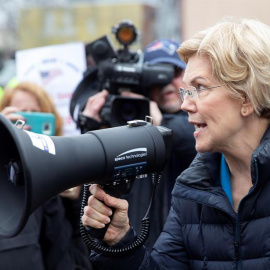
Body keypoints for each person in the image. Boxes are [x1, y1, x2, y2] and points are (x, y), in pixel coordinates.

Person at [82, 17, 270, 269]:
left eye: (199, 88)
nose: (185, 104)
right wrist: (120, 242)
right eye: (186, 91)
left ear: (246, 97)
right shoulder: (192, 188)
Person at [79, 38, 197, 250]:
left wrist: (158, 124)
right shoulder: (129, 127)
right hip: (135, 247)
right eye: (156, 80)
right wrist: (92, 130)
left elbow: (192, 140)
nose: (166, 85)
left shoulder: (201, 122)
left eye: (173, 73)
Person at [0, 81, 92, 270]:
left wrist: (76, 201)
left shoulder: (66, 168)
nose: (26, 123)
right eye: (20, 113)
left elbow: (79, 252)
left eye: (35, 113)